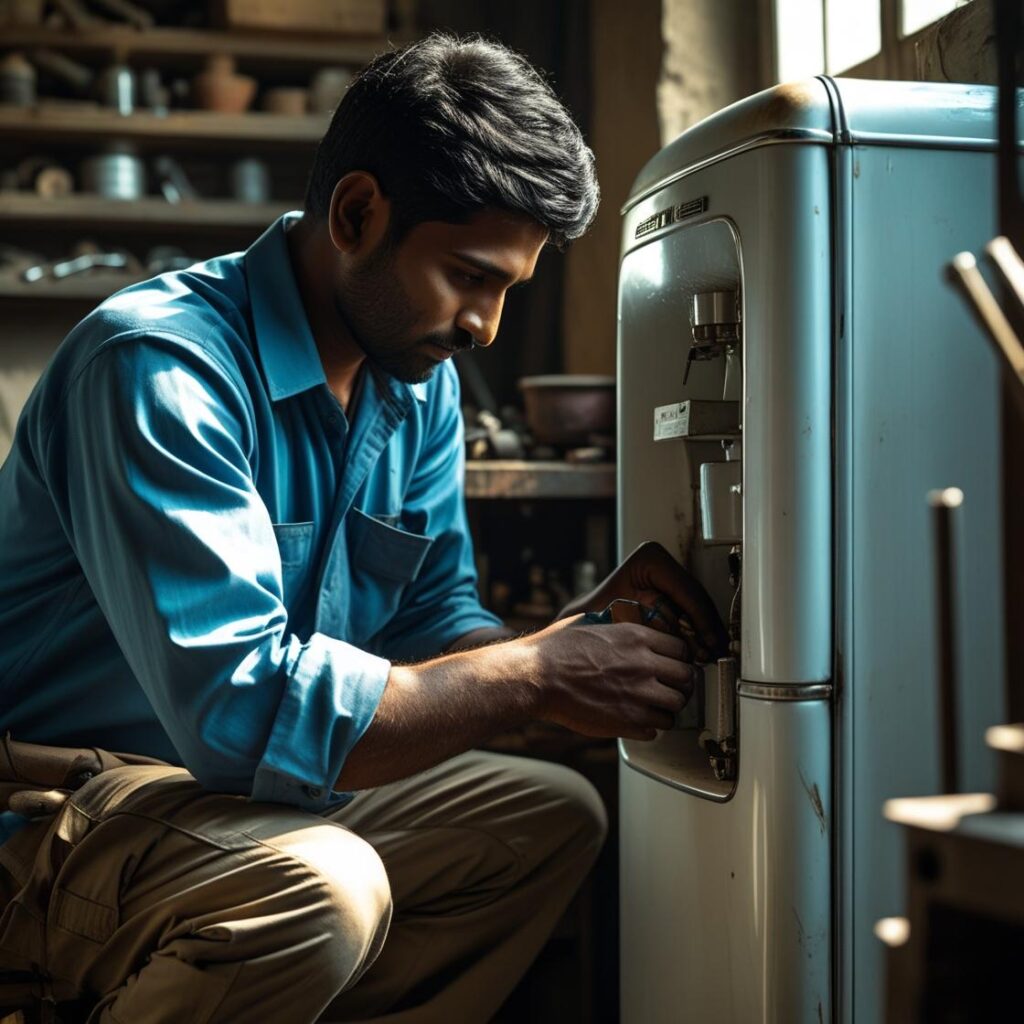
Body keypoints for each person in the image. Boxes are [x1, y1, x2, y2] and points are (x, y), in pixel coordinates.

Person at [0, 33, 725, 1023]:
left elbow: (431, 623)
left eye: (508, 290)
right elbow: (241, 716)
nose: (485, 325)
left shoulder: (416, 385)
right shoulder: (158, 369)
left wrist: (561, 646)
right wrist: (533, 677)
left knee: (550, 816)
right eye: (467, 275)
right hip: (59, 810)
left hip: (241, 801)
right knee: (319, 889)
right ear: (355, 214)